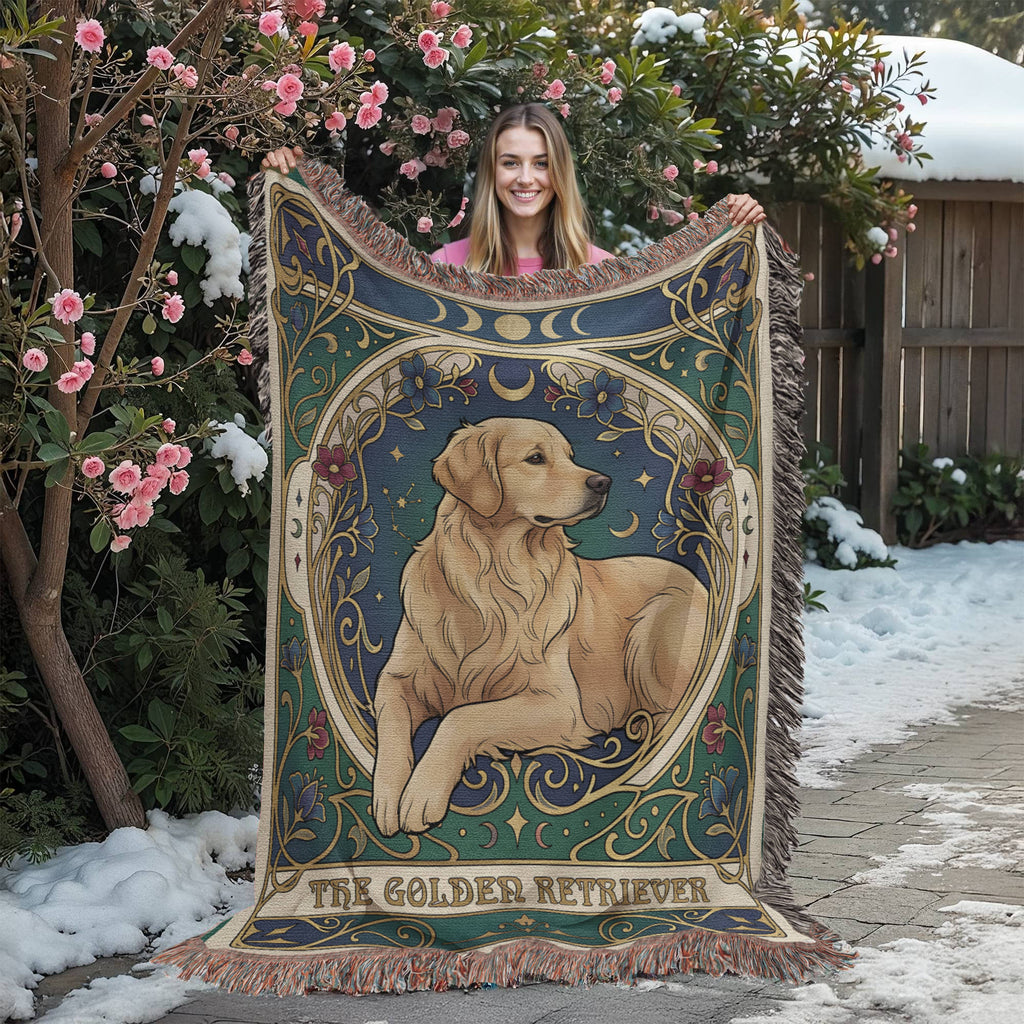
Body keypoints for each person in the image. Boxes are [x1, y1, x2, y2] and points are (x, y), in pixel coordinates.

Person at [261, 102, 765, 276]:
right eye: (511, 163)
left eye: (541, 164)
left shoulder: (605, 275)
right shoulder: (445, 269)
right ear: (491, 174)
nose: (526, 179)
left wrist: (735, 226)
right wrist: (297, 190)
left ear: (559, 176)